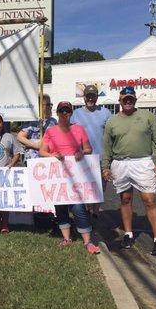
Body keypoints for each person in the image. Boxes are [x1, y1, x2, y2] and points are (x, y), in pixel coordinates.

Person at [102, 86, 156, 256]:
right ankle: (129, 235)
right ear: (120, 101)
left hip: (143, 163)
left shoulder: (147, 117)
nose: (128, 101)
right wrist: (105, 167)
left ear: (135, 100)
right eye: (125, 98)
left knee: (149, 200)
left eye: (131, 98)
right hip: (120, 164)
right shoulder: (112, 121)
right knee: (125, 199)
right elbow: (107, 147)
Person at [39, 101, 100, 254]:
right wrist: (53, 155)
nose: (65, 113)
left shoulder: (79, 129)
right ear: (57, 113)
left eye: (67, 111)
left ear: (71, 112)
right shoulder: (50, 131)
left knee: (79, 208)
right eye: (62, 111)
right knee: (60, 208)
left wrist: (82, 153)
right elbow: (42, 152)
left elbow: (88, 148)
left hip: (76, 175)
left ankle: (87, 241)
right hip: (58, 175)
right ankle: (67, 238)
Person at [70, 85, 112, 218]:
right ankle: (88, 210)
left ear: (97, 97)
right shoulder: (75, 114)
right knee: (85, 185)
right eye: (88, 96)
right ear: (84, 97)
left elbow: (112, 135)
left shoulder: (106, 113)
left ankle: (95, 211)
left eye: (93, 96)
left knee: (100, 187)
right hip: (82, 157)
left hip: (101, 157)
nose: (90, 99)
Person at [17, 94, 57, 161]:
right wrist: (35, 145)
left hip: (47, 157)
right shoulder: (32, 121)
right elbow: (20, 137)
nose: (50, 107)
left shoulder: (53, 121)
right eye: (47, 105)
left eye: (50, 104)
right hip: (32, 158)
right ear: (39, 106)